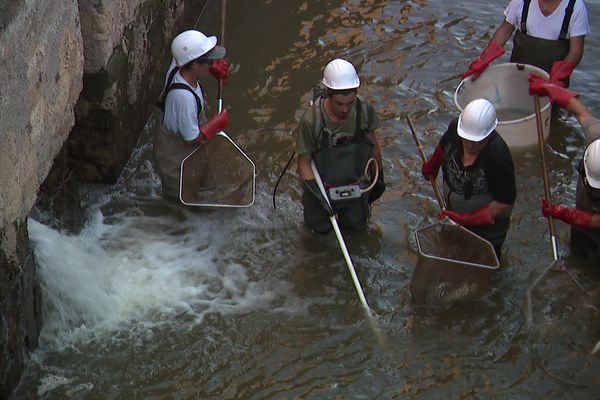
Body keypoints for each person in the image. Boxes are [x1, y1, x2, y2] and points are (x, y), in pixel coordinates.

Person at [295, 58, 385, 234]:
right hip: (322, 189)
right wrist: (318, 195)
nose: (345, 110)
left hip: (355, 187)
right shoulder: (312, 121)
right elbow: (304, 163)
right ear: (328, 94)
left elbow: (373, 145)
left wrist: (379, 176)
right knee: (316, 237)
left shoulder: (363, 112)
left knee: (357, 233)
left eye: (350, 103)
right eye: (339, 104)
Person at [421, 99, 517, 258]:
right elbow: (443, 147)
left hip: (486, 232)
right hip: (453, 217)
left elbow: (505, 205)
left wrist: (466, 220)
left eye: (477, 141)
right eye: (467, 139)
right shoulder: (455, 130)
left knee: (480, 268)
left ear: (489, 134)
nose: (471, 145)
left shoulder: (499, 156)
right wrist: (432, 166)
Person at [529, 74, 600, 259]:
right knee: (577, 257)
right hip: (582, 218)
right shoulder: (596, 138)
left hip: (590, 220)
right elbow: (579, 110)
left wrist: (566, 214)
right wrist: (548, 88)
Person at [153, 29, 230, 199]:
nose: (213, 63)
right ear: (194, 65)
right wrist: (215, 123)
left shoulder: (179, 63)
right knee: (182, 201)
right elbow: (191, 139)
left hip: (186, 150)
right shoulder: (183, 98)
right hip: (176, 162)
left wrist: (212, 69)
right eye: (209, 61)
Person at [463, 0, 589, 86]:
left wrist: (557, 78)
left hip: (552, 81)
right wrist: (484, 59)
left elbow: (576, 51)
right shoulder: (522, 2)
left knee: (550, 119)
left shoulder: (576, 7)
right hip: (518, 75)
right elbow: (504, 31)